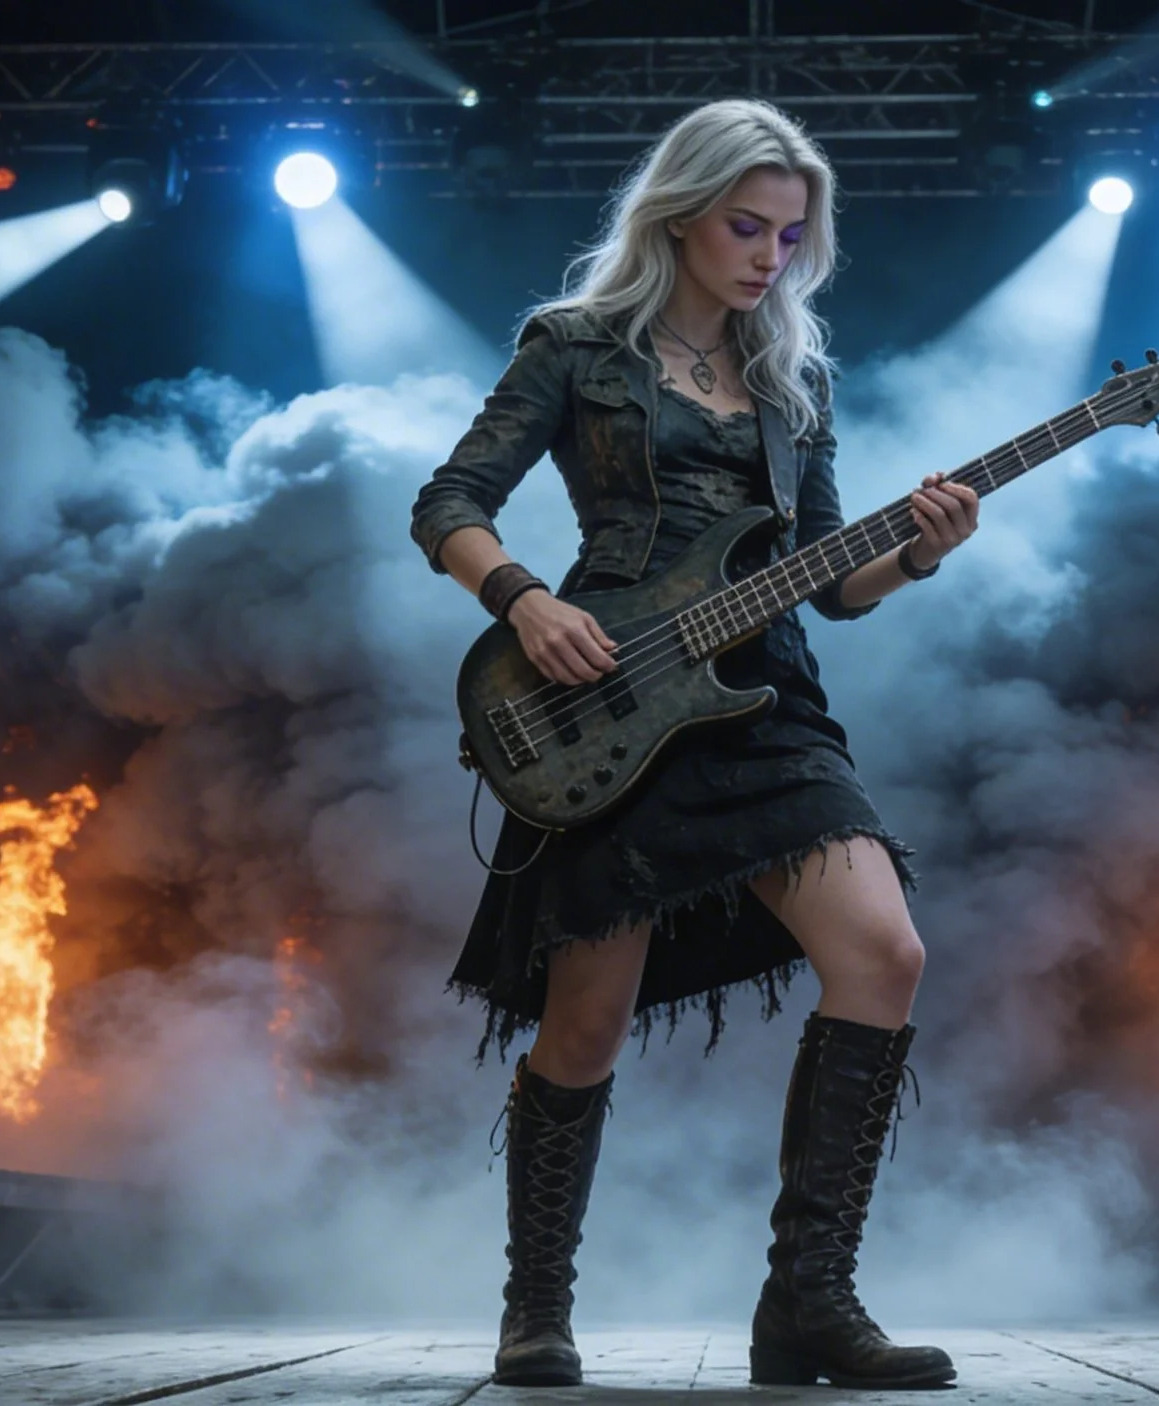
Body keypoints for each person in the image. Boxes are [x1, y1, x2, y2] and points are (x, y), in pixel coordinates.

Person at [409, 97, 979, 1390]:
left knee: (885, 951)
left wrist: (918, 550)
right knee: (585, 1021)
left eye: (791, 236)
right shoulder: (574, 346)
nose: (772, 256)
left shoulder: (795, 379)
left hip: (765, 700)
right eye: (748, 225)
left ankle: (810, 1303)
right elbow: (449, 501)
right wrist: (527, 600)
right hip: (602, 691)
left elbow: (832, 580)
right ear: (680, 209)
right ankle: (535, 1309)